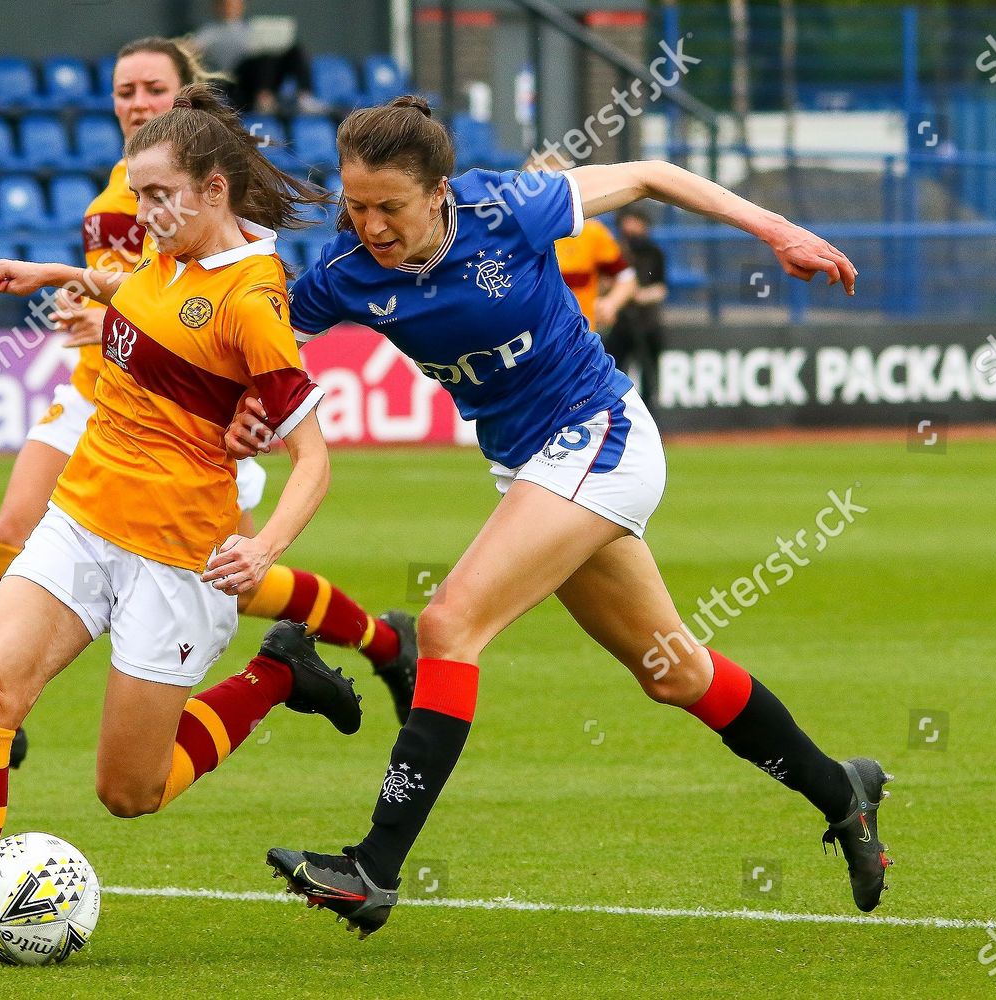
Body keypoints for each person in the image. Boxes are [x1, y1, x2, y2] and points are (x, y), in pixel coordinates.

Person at [232, 97, 891, 937]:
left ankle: (374, 867)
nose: (370, 226)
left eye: (389, 206)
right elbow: (262, 336)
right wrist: (244, 392)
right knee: (672, 673)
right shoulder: (350, 271)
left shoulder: (508, 207)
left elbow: (653, 174)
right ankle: (844, 792)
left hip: (601, 434)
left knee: (447, 624)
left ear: (438, 191)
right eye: (355, 207)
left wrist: (776, 230)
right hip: (533, 467)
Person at [0, 84, 362, 963]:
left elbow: (312, 458)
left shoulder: (252, 300)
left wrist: (264, 546)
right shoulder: (169, 257)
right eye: (139, 193)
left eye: (161, 194)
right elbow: (140, 290)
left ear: (215, 189)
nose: (146, 211)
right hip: (80, 518)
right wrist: (55, 275)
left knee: (129, 792)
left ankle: (279, 673)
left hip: (174, 557)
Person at [0, 37, 417, 774]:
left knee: (238, 586)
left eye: (152, 89)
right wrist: (67, 281)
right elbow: (144, 287)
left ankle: (380, 641)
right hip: (105, 396)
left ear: (184, 98)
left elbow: (225, 322)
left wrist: (245, 401)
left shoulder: (203, 215)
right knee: (13, 527)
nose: (137, 103)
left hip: (191, 423)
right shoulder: (129, 193)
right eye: (124, 91)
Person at [525, 152, 637, 332]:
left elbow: (626, 277)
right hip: (528, 347)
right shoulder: (510, 236)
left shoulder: (591, 232)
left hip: (578, 344)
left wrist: (611, 303)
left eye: (555, 188)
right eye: (539, 189)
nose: (547, 198)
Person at [190, 0, 325, 114]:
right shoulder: (210, 32)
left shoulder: (250, 28)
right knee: (264, 55)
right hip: (237, 81)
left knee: (293, 49)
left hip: (264, 74)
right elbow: (193, 48)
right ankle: (263, 99)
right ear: (218, 7)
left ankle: (304, 97)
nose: (232, 8)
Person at [606, 205, 668, 418]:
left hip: (647, 323)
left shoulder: (654, 252)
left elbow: (660, 289)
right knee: (612, 375)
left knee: (649, 378)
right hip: (621, 323)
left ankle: (652, 421)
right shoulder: (615, 250)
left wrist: (638, 294)